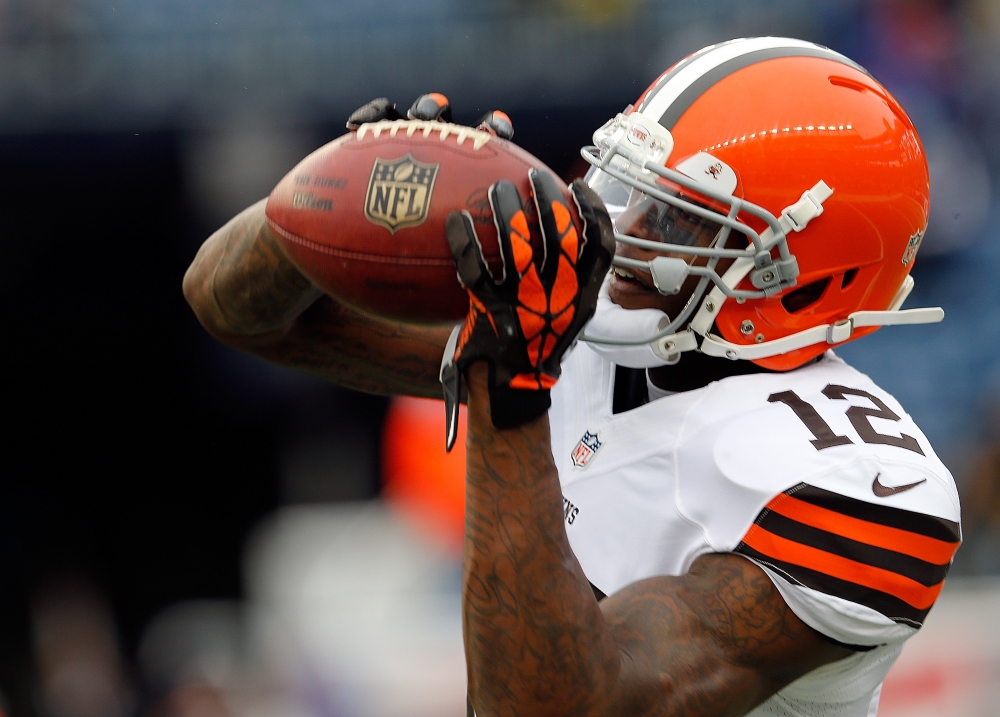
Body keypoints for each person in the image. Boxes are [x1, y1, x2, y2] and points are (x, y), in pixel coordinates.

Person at [183, 37, 961, 717]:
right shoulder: (599, 327)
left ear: (802, 280)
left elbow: (545, 707)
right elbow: (236, 309)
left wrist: (510, 382)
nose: (626, 234)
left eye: (683, 223)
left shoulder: (855, 482)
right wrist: (347, 186)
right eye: (636, 192)